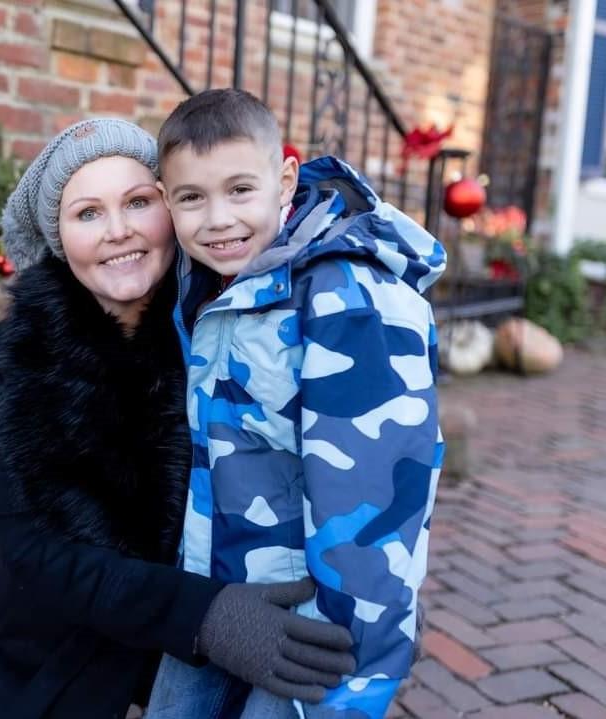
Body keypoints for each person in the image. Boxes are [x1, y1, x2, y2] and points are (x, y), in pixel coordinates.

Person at [0, 118, 356, 719]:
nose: (118, 231)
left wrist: (368, 576)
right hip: (62, 656)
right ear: (58, 235)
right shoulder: (6, 360)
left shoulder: (222, 333)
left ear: (171, 210)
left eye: (139, 202)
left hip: (201, 669)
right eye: (88, 213)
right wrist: (201, 615)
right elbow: (31, 550)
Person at [146, 89, 446, 719]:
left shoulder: (351, 299)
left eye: (239, 190)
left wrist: (350, 682)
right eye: (191, 198)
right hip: (219, 589)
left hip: (315, 624)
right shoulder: (215, 283)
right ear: (167, 199)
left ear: (284, 180)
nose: (218, 219)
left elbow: (378, 508)